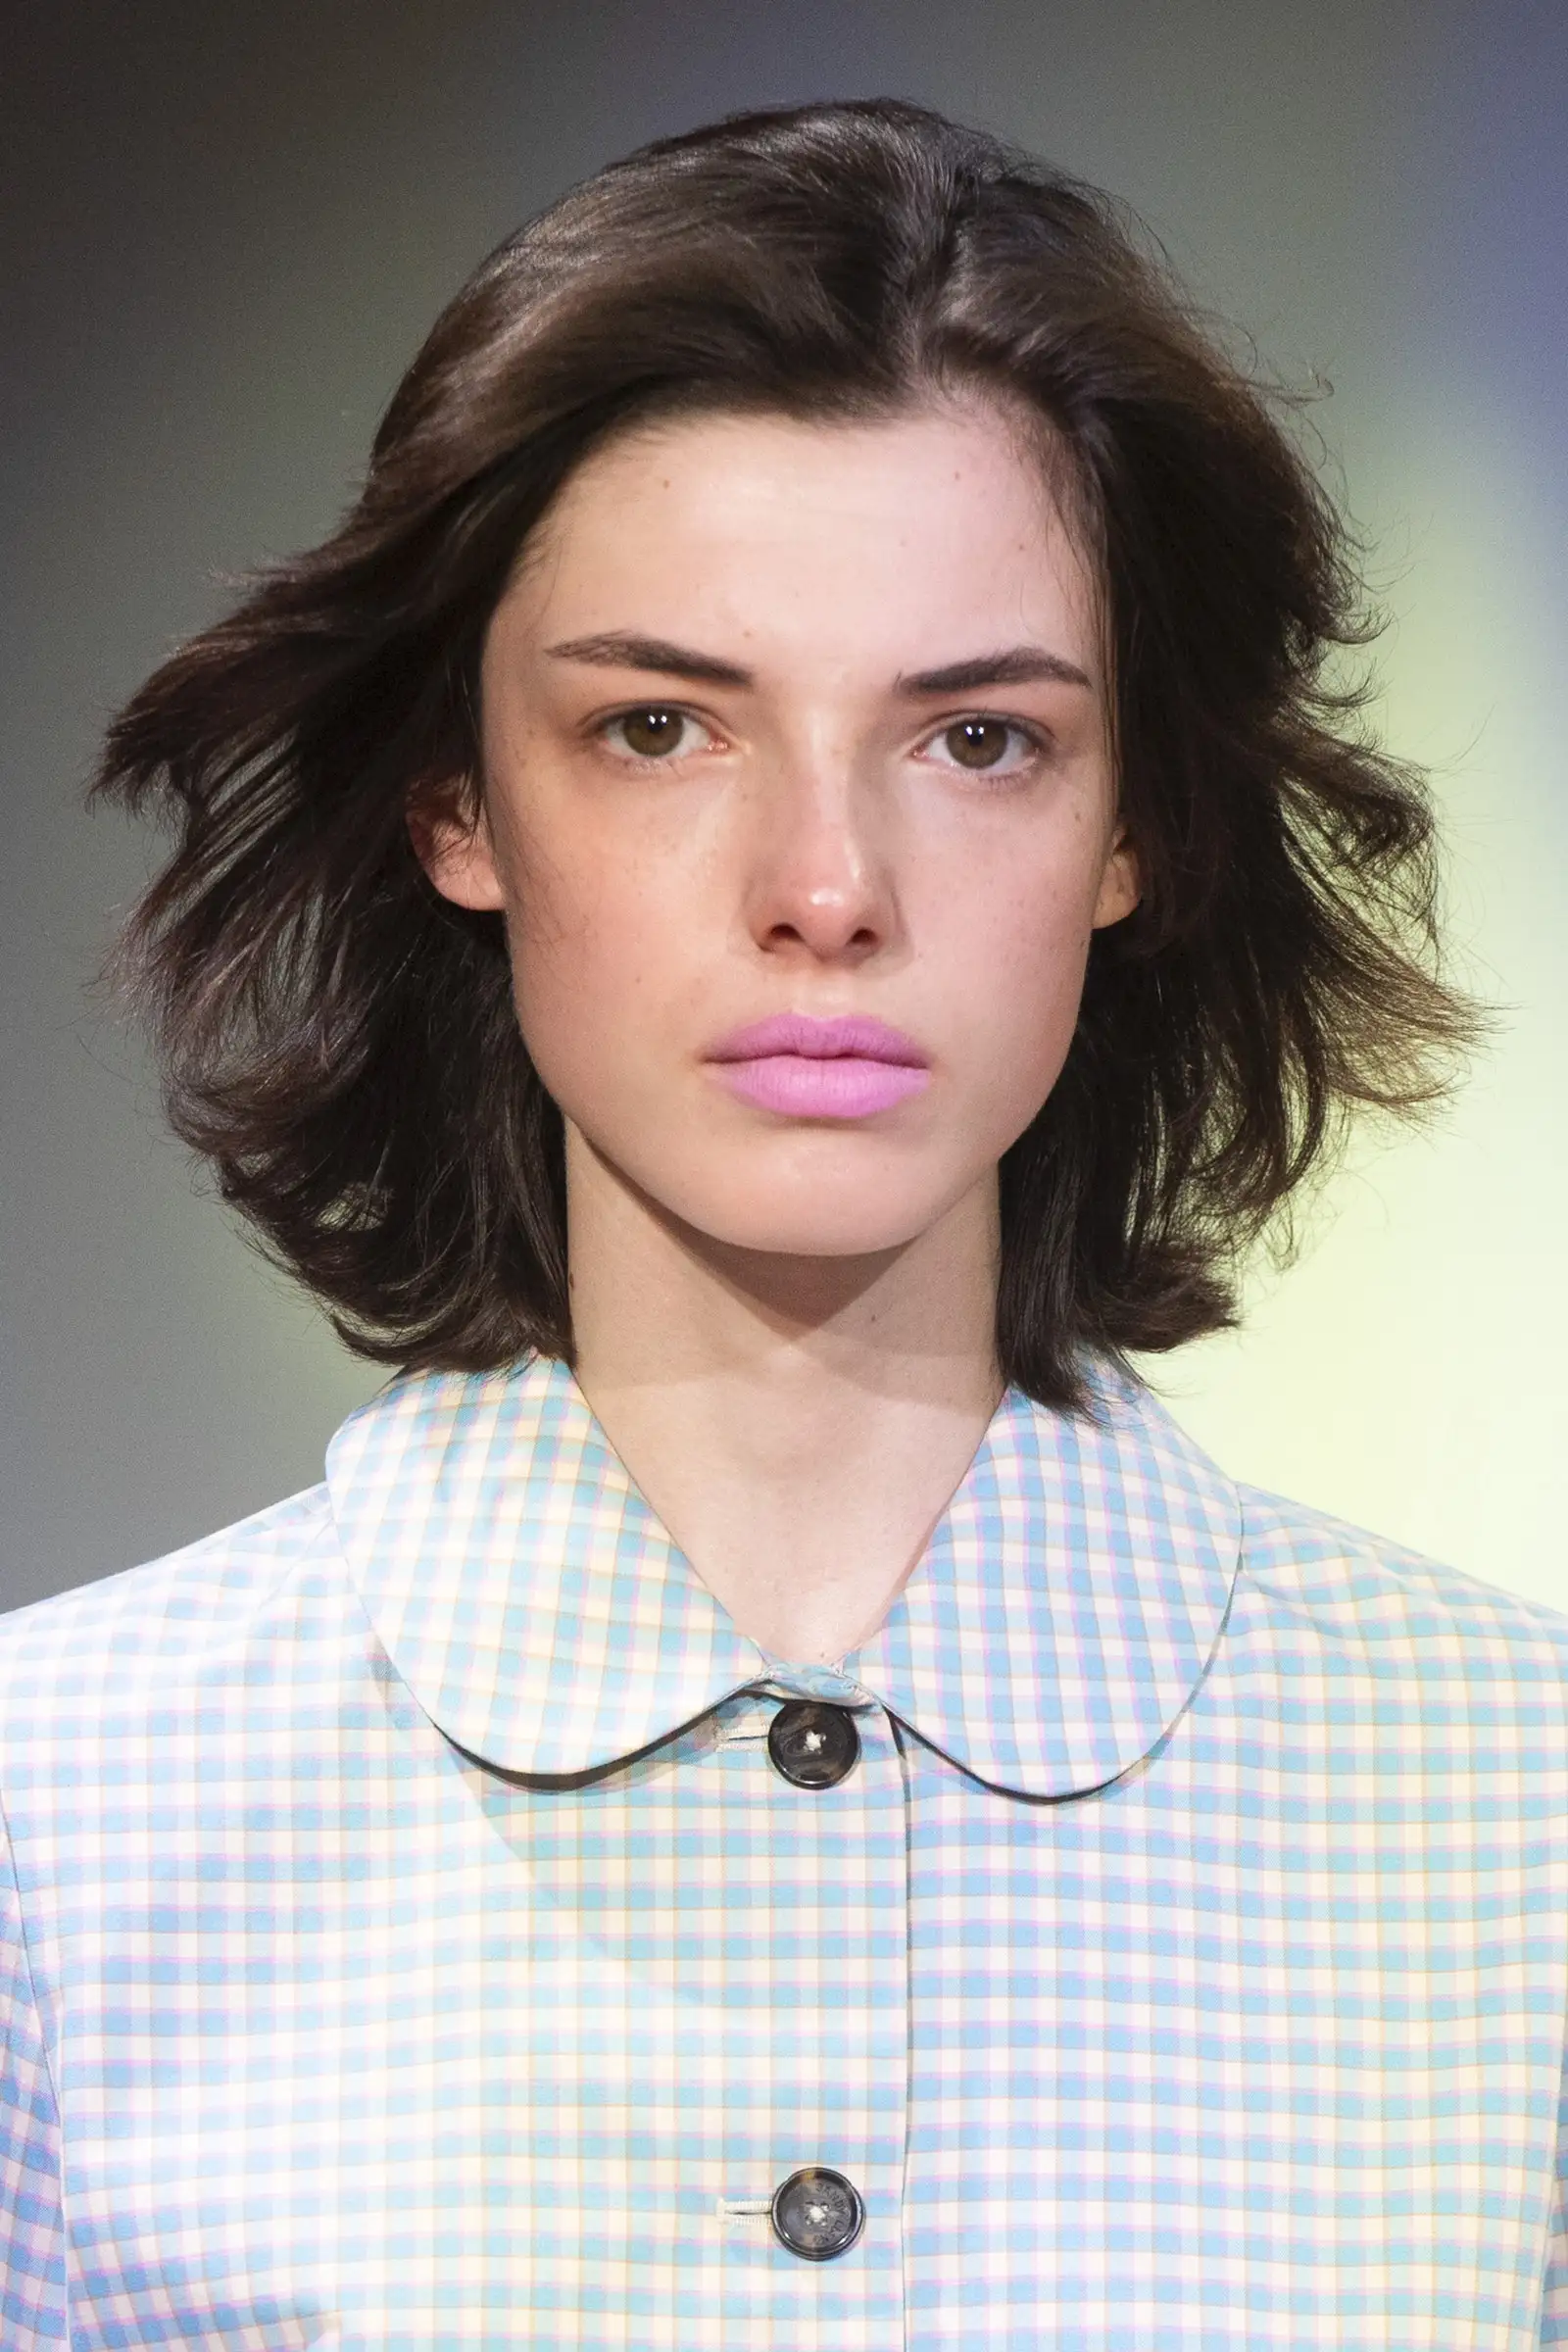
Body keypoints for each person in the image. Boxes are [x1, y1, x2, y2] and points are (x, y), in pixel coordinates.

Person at [1, 95, 1561, 2351]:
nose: (823, 888)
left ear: (1133, 824)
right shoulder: (59, 1826)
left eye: (978, 740)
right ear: (457, 802)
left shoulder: (1511, 1826)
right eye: (658, 727)